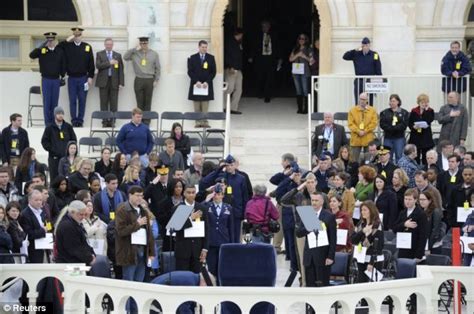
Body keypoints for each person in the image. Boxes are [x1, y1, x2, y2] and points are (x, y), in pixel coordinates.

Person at [296, 192, 336, 287]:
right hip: (309, 256)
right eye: (312, 200)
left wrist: (330, 256)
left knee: (322, 285)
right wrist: (308, 228)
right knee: (310, 285)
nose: (314, 202)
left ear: (322, 202)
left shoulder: (328, 216)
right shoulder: (307, 214)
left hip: (323, 256)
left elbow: (333, 238)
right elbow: (298, 233)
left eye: (316, 200)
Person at [115, 185, 155, 281]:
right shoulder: (122, 209)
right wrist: (137, 224)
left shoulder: (143, 211)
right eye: (137, 195)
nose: (140, 198)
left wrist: (151, 252)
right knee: (129, 281)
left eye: (141, 196)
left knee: (139, 282)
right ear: (130, 195)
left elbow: (149, 233)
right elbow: (121, 231)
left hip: (143, 251)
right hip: (128, 252)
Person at [57, 27, 95, 127]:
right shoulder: (68, 46)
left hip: (83, 78)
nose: (77, 37)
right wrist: (68, 39)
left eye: (79, 35)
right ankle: (74, 120)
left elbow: (91, 63)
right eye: (75, 35)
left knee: (82, 100)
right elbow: (58, 47)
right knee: (72, 100)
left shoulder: (87, 47)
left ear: (82, 36)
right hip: (72, 78)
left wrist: (90, 76)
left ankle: (80, 120)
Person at [28, 32, 66, 126]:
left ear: (55, 40)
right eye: (48, 40)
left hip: (56, 79)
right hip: (46, 79)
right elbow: (31, 55)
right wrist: (42, 45)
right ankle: (48, 124)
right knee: (47, 102)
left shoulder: (59, 51)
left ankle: (54, 122)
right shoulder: (42, 50)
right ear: (46, 41)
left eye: (52, 40)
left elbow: (63, 64)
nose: (50, 42)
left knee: (54, 102)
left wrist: (63, 75)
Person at [173, 184, 208, 273]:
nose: (191, 195)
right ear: (184, 193)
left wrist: (205, 248)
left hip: (197, 250)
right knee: (182, 279)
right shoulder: (179, 208)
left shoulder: (201, 208)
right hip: (183, 251)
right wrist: (190, 218)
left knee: (196, 278)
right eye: (189, 192)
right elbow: (175, 228)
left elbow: (207, 229)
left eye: (193, 192)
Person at [124, 37, 161, 114]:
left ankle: (147, 121)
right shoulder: (135, 53)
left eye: (145, 43)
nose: (143, 45)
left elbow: (158, 68)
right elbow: (125, 57)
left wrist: (156, 80)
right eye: (142, 43)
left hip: (149, 79)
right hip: (139, 79)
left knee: (148, 101)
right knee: (139, 102)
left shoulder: (154, 54)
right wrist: (134, 48)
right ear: (139, 44)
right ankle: (139, 120)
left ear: (148, 43)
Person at [203, 184, 233, 277]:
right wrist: (206, 200)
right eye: (215, 194)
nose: (217, 196)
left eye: (219, 194)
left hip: (224, 240)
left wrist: (232, 243)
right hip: (211, 241)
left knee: (223, 266)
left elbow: (231, 227)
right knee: (212, 267)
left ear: (223, 195)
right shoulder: (207, 206)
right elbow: (198, 208)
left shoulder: (228, 208)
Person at [350, 200, 384, 283]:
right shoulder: (360, 224)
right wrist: (362, 231)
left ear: (371, 211)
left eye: (365, 210)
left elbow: (379, 246)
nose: (362, 212)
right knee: (361, 281)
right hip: (361, 257)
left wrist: (371, 262)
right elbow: (353, 239)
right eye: (362, 210)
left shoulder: (377, 225)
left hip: (374, 260)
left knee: (373, 285)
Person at [343, 37, 382, 105]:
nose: (365, 47)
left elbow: (378, 68)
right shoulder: (356, 54)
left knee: (370, 101)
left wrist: (379, 81)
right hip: (359, 81)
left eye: (367, 45)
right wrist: (355, 50)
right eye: (364, 45)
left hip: (370, 81)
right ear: (362, 45)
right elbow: (345, 57)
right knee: (358, 101)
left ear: (369, 45)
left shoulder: (375, 54)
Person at [55, 200, 96, 265]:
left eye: (84, 214)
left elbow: (83, 243)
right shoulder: (67, 226)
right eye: (81, 214)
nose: (83, 217)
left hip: (75, 262)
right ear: (72, 212)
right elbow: (75, 248)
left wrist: (92, 254)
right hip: (70, 264)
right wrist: (90, 258)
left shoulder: (73, 222)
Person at [41, 106, 77, 179]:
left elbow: (73, 140)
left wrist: (70, 151)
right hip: (54, 158)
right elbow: (44, 141)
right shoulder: (49, 127)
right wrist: (52, 150)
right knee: (54, 178)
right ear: (55, 115)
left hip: (67, 158)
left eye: (62, 113)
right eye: (58, 113)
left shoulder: (68, 127)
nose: (60, 115)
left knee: (68, 178)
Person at [95, 37, 124, 127]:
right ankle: (104, 121)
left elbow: (121, 70)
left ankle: (112, 121)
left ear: (112, 45)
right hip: (103, 82)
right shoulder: (100, 54)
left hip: (114, 81)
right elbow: (98, 65)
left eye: (110, 44)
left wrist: (121, 83)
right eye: (107, 44)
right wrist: (109, 63)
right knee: (103, 102)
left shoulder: (117, 55)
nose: (109, 46)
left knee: (114, 103)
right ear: (104, 45)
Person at [250, 20, 281, 103]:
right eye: (263, 26)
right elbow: (254, 47)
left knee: (270, 77)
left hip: (271, 59)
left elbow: (278, 47)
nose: (265, 28)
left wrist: (280, 59)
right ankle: (260, 93)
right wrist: (251, 57)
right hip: (261, 59)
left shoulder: (274, 35)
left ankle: (268, 96)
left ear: (269, 27)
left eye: (266, 26)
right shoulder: (257, 36)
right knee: (260, 76)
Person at [187, 40, 216, 128]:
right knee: (196, 104)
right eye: (203, 47)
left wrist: (207, 82)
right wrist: (197, 81)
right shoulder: (193, 57)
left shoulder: (211, 58)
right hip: (196, 85)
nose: (204, 49)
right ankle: (197, 122)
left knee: (205, 104)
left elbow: (213, 72)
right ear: (199, 47)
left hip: (206, 85)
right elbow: (190, 71)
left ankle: (205, 122)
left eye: (206, 47)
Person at [393, 188, 427, 261]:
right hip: (403, 247)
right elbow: (395, 228)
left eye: (410, 199)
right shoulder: (402, 213)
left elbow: (423, 236)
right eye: (406, 199)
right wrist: (404, 224)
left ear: (415, 200)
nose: (407, 202)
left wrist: (419, 255)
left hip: (414, 248)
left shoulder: (421, 214)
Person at [18, 190, 49, 263]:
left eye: (40, 200)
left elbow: (47, 224)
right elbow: (28, 234)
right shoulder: (25, 214)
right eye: (36, 200)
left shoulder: (42, 212)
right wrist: (43, 231)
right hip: (33, 250)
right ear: (29, 200)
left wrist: (48, 230)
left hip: (44, 246)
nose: (39, 202)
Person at [348, 92, 378, 162]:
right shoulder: (352, 110)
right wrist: (358, 131)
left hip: (368, 139)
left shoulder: (372, 110)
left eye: (364, 99)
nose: (362, 101)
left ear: (367, 100)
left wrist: (365, 131)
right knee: (353, 160)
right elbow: (350, 124)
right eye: (361, 99)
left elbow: (374, 123)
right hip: (356, 139)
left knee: (368, 160)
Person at [379, 94, 409, 163]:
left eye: (394, 101)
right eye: (391, 101)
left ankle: (399, 172)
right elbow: (382, 124)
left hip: (399, 138)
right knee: (387, 156)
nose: (392, 103)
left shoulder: (404, 112)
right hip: (388, 138)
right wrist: (390, 128)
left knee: (399, 156)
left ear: (398, 102)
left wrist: (395, 128)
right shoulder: (384, 112)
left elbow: (404, 124)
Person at [408, 94, 435, 165]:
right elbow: (410, 122)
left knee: (425, 155)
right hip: (416, 136)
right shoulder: (414, 111)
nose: (424, 104)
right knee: (415, 154)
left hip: (425, 136)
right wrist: (413, 127)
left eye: (425, 102)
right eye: (422, 102)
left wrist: (426, 111)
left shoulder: (430, 111)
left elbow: (429, 120)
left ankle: (425, 168)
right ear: (419, 102)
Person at [289, 33, 313, 114]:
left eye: (303, 38)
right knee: (298, 90)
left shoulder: (309, 49)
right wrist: (298, 54)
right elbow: (290, 59)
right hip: (296, 72)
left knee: (305, 91)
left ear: (306, 40)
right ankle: (299, 108)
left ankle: (306, 109)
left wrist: (304, 56)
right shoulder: (295, 48)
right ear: (298, 40)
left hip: (305, 72)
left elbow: (312, 61)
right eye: (300, 38)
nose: (301, 40)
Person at [224, 27, 244, 114]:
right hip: (230, 69)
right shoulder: (229, 42)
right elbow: (226, 55)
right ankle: (224, 107)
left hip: (238, 69)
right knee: (229, 88)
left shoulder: (238, 43)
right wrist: (230, 66)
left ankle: (233, 108)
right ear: (239, 34)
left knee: (239, 89)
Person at [419, 190, 444, 255]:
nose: (421, 201)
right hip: (422, 244)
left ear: (430, 200)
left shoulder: (436, 211)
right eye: (420, 199)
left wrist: (428, 247)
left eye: (423, 199)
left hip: (433, 245)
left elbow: (435, 231)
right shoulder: (420, 211)